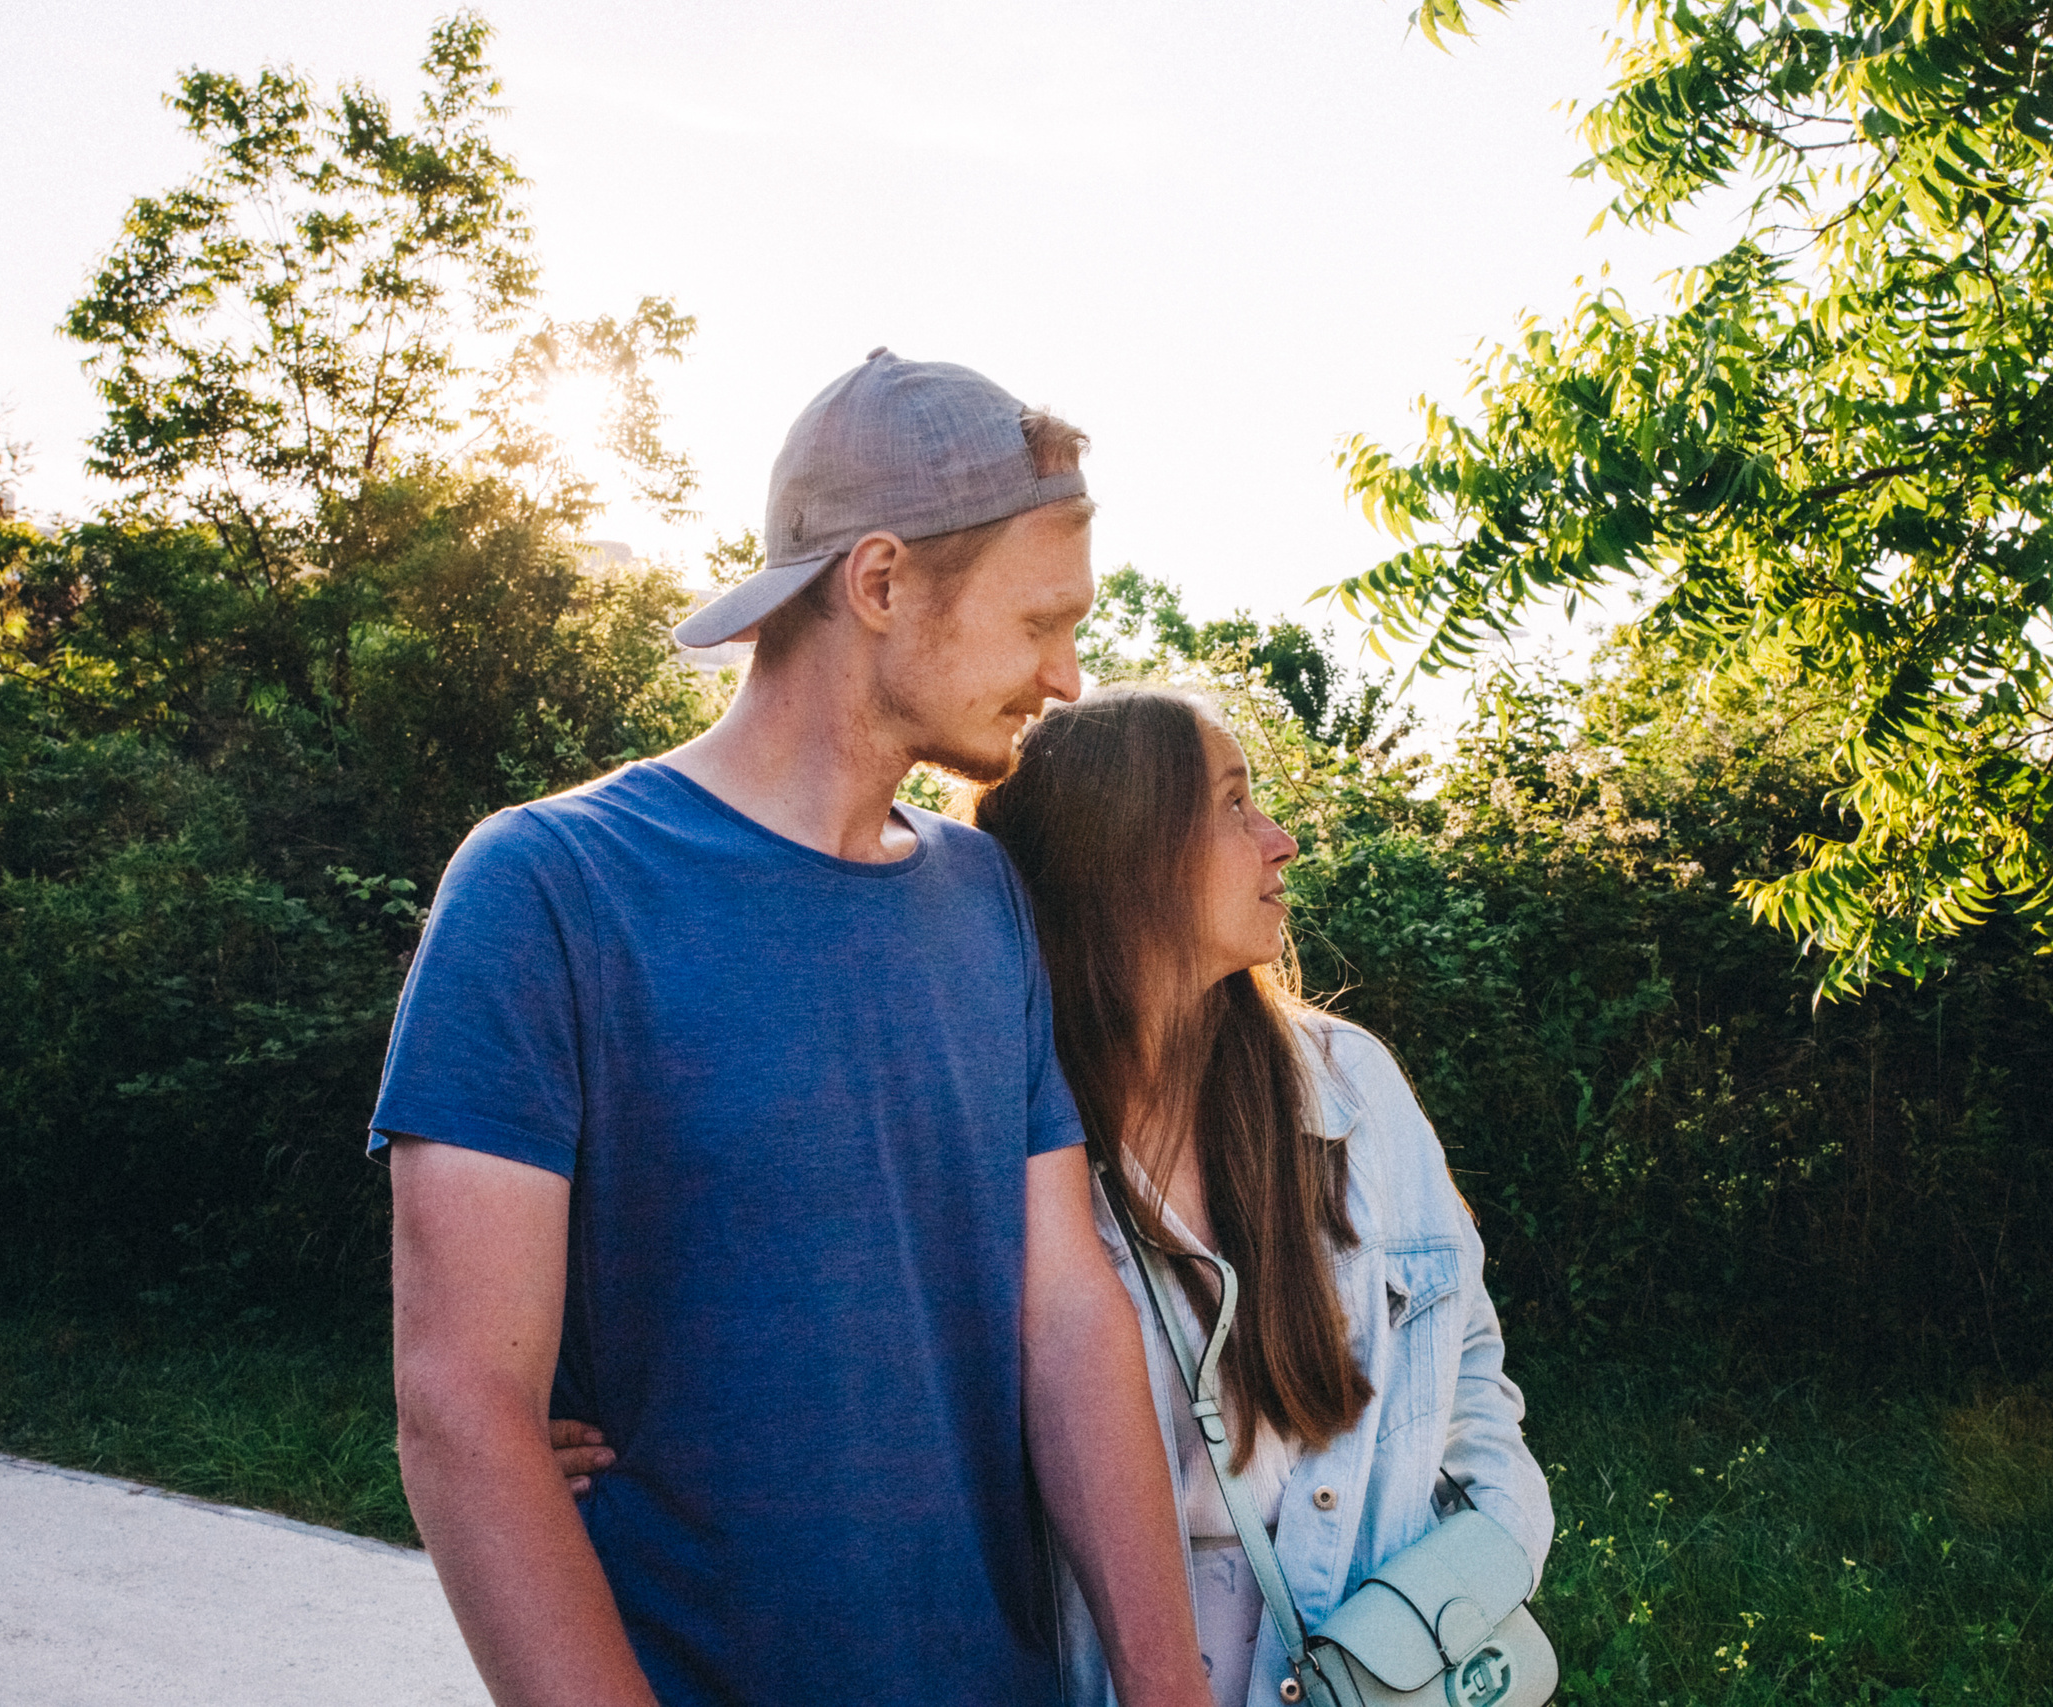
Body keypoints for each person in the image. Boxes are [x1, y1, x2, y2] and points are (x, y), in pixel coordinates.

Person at [376, 350, 1212, 1707]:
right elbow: (464, 1408)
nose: (1067, 676)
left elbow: (1062, 1311)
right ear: (880, 582)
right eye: (1037, 620)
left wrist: (1166, 1682)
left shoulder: (980, 893)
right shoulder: (549, 886)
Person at [970, 688, 1555, 1707]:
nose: (1279, 841)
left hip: (1376, 1660)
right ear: (1122, 857)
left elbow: (1467, 1359)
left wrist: (1479, 1556)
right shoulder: (1000, 1145)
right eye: (1234, 806)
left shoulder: (1350, 1086)